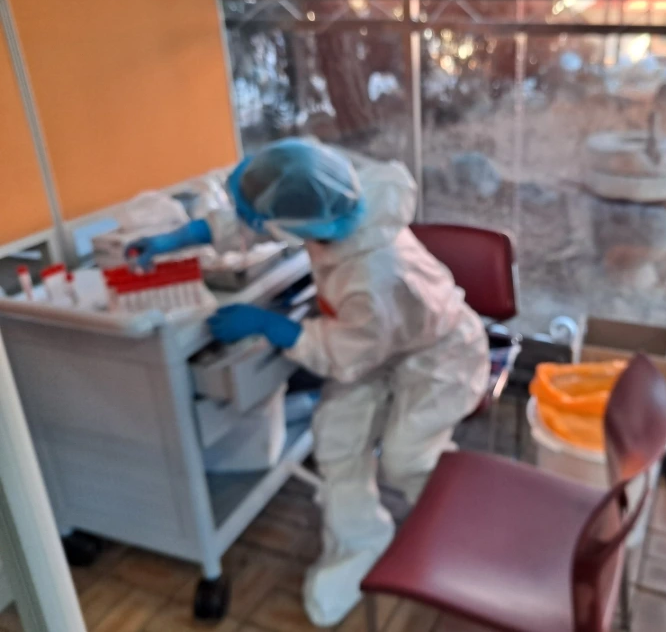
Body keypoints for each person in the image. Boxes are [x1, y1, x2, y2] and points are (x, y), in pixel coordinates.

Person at [126, 139, 490, 626]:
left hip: (438, 356)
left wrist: (271, 325)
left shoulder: (374, 271)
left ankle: (461, 535)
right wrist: (177, 239)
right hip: (378, 342)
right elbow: (256, 218)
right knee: (336, 437)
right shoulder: (338, 201)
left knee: (407, 457)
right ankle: (362, 538)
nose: (257, 226)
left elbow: (345, 352)